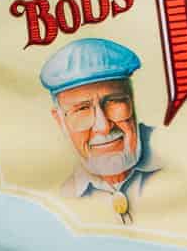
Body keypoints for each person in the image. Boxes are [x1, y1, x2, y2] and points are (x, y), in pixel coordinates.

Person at [39, 37, 161, 224]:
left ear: (132, 101)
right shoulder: (57, 199)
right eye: (82, 109)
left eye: (114, 101)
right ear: (60, 121)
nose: (103, 127)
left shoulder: (179, 154)